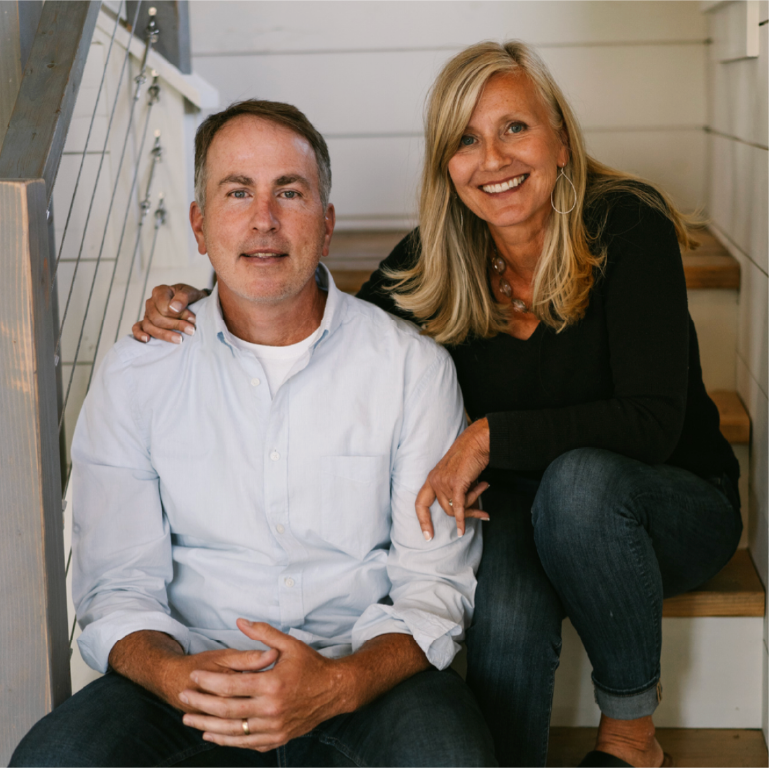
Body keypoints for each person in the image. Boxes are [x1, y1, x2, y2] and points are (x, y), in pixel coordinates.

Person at [134, 42, 743, 768]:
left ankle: (629, 737)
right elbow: (324, 326)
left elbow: (650, 422)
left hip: (661, 510)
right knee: (507, 599)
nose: (491, 157)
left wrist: (485, 438)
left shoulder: (626, 225)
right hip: (522, 504)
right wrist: (208, 299)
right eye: (464, 139)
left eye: (513, 128)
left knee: (580, 485)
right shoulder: (434, 259)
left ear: (558, 138)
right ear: (446, 166)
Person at [10, 99, 498, 768]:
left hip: (358, 674)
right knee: (52, 761)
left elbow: (432, 588)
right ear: (199, 223)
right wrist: (177, 676)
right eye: (237, 192)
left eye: (288, 193)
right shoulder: (138, 373)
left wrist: (338, 683)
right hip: (190, 674)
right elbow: (118, 587)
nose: (263, 220)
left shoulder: (410, 369)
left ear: (325, 226)